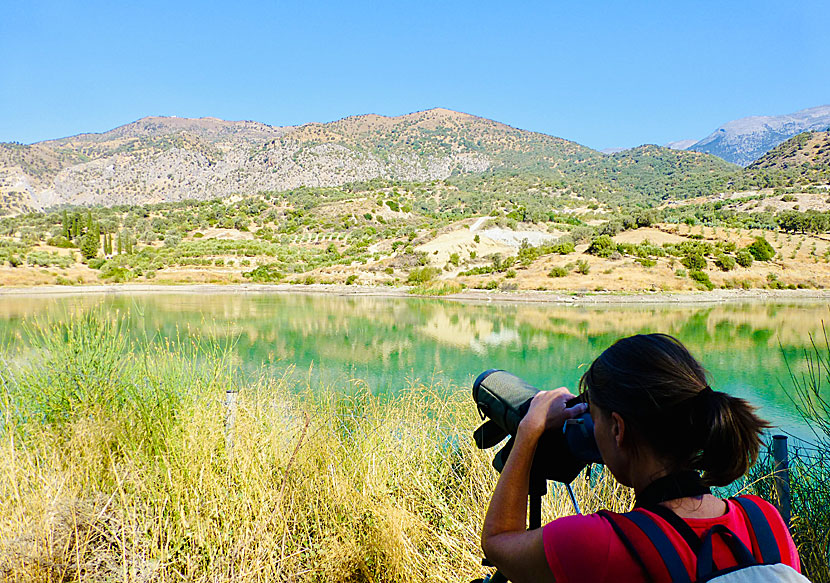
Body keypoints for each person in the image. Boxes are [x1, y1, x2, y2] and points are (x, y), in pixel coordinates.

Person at [481, 333, 801, 583]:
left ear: (618, 429)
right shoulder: (764, 524)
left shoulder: (596, 543)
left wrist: (529, 429)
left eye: (594, 417)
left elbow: (498, 543)